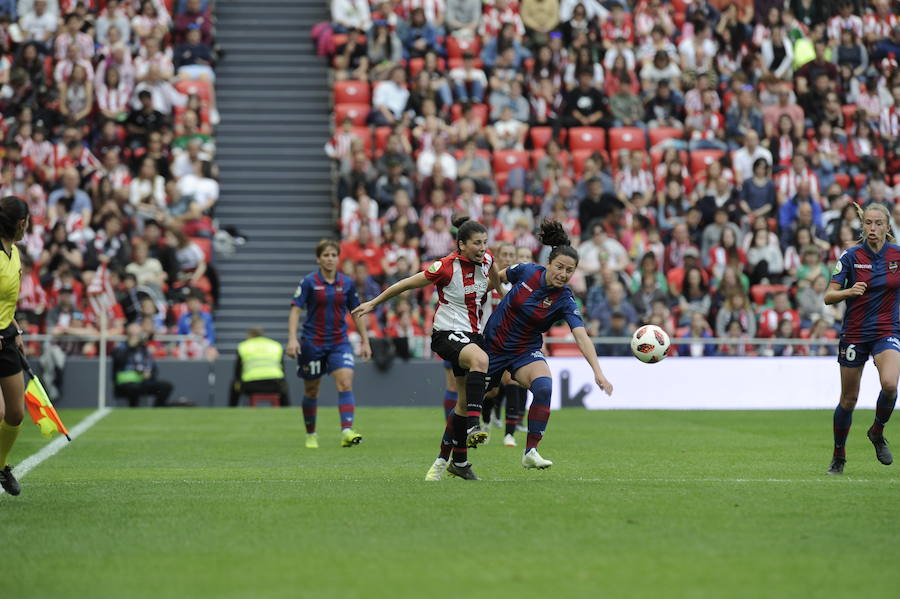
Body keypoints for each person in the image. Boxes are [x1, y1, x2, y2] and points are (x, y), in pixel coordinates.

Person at [353, 217, 501, 481]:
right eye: (477, 243)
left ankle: (454, 461)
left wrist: (503, 293)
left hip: (472, 336)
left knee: (463, 402)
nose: (482, 248)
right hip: (446, 333)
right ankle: (474, 425)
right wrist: (374, 303)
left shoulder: (487, 261)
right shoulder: (444, 267)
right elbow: (407, 283)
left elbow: (494, 280)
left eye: (484, 242)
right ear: (461, 245)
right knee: (481, 361)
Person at [484, 220, 614, 470]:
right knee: (474, 397)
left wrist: (598, 372)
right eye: (560, 267)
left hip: (524, 351)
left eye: (569, 271)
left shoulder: (565, 299)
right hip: (493, 345)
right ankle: (454, 451)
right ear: (548, 264)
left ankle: (531, 451)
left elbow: (581, 336)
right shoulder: (526, 271)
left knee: (544, 387)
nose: (563, 274)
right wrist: (476, 301)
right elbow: (496, 279)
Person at [824, 203, 899, 475]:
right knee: (848, 399)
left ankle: (877, 431)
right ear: (862, 225)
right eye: (868, 223)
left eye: (878, 223)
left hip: (886, 330)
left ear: (887, 227)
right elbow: (828, 295)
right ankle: (839, 455)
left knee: (890, 384)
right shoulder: (851, 256)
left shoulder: (897, 256)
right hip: (855, 333)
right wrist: (848, 291)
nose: (873, 228)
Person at [286, 239, 371, 449]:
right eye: (326, 255)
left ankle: (346, 431)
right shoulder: (308, 282)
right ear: (318, 259)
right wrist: (292, 338)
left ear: (338, 258)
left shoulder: (347, 283)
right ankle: (311, 434)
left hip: (338, 342)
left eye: (333, 255)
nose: (330, 259)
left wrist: (365, 340)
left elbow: (356, 312)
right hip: (312, 343)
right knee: (312, 390)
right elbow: (296, 309)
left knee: (345, 381)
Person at [0, 196, 30, 496]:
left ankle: (0, 465)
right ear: (21, 223)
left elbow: (7, 301)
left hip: (6, 338)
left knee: (16, 413)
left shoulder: (15, 253)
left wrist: (16, 327)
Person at [112, 321, 175, 408]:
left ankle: (157, 410)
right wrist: (130, 347)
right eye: (134, 335)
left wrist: (150, 374)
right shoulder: (121, 348)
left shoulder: (144, 350)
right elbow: (118, 361)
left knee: (165, 387)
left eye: (139, 335)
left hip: (143, 381)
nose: (138, 337)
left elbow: (153, 368)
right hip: (127, 383)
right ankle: (133, 411)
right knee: (134, 389)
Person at [229, 328, 289, 408]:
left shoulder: (243, 346)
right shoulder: (276, 345)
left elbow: (238, 372)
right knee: (284, 385)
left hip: (251, 386)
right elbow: (282, 370)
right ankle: (287, 409)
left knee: (234, 384)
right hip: (275, 385)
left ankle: (231, 409)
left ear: (250, 336)